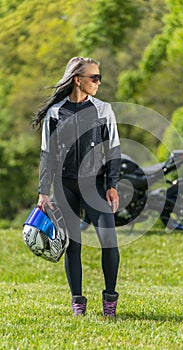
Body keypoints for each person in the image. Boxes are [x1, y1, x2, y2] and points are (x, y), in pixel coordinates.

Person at [32, 56, 121, 317]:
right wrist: (43, 191)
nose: (98, 82)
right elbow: (46, 154)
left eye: (99, 76)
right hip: (64, 185)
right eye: (94, 77)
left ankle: (110, 302)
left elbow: (113, 149)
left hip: (94, 184)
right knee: (73, 244)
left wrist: (112, 184)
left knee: (109, 242)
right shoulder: (55, 113)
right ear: (77, 80)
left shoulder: (104, 109)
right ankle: (77, 303)